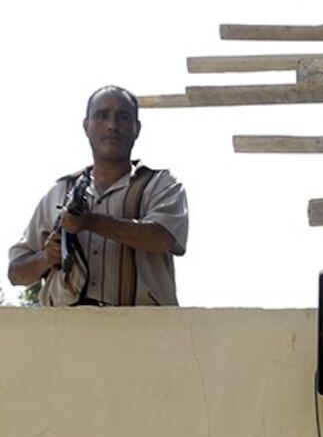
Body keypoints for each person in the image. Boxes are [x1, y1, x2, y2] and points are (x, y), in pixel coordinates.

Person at [8, 86, 189, 306]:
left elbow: (163, 237)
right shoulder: (60, 192)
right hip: (66, 330)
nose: (112, 125)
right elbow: (16, 273)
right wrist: (46, 257)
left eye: (122, 117)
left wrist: (90, 222)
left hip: (143, 329)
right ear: (86, 126)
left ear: (137, 128)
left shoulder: (160, 184)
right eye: (102, 116)